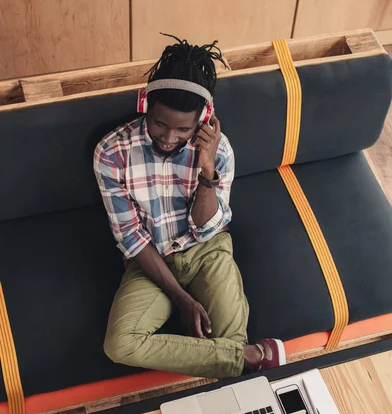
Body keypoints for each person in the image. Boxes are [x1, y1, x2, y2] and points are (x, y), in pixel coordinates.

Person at [94, 35, 286, 379]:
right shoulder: (112, 153)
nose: (169, 138)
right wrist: (181, 298)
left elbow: (207, 229)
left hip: (207, 252)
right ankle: (251, 355)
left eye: (183, 128)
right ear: (145, 106)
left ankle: (235, 358)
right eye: (160, 124)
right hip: (150, 262)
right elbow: (131, 238)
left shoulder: (219, 150)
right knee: (120, 344)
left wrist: (207, 172)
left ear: (204, 116)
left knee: (226, 340)